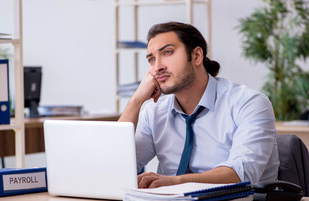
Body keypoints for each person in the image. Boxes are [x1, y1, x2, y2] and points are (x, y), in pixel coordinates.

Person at [118, 22, 279, 189]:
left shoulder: (249, 103)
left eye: (167, 52)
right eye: (151, 59)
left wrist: (174, 182)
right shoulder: (153, 112)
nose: (158, 67)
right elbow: (117, 167)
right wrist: (136, 101)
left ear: (196, 56)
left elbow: (242, 174)